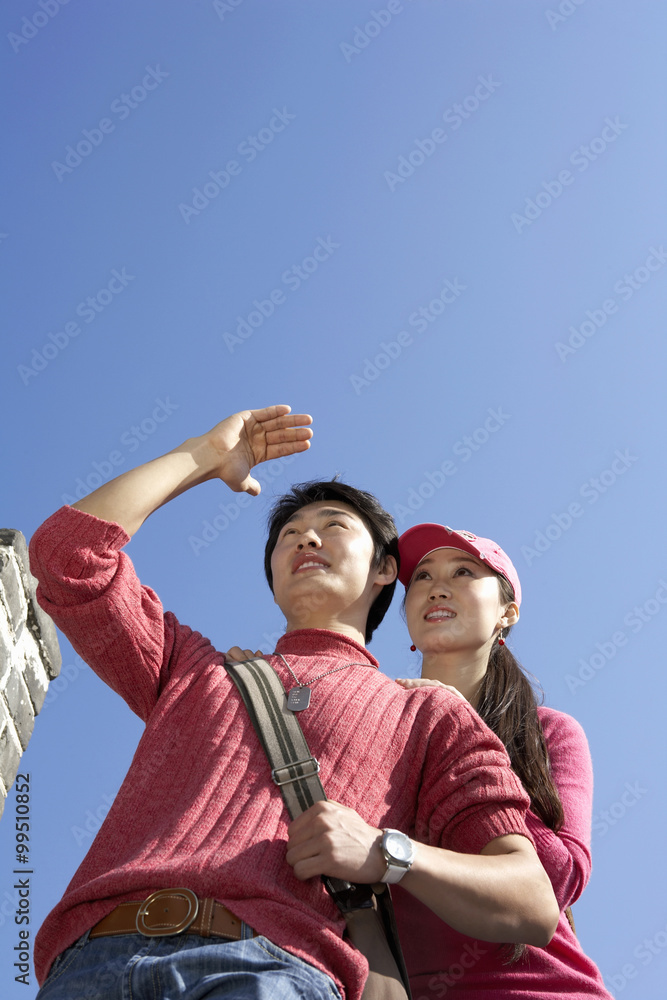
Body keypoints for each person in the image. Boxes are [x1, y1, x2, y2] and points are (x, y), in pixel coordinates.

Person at [30, 407, 558, 1000]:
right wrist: (202, 455)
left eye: (334, 525)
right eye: (289, 533)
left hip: (274, 972)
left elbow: (530, 900)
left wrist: (386, 853)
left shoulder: (428, 714)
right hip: (90, 962)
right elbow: (65, 555)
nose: (307, 537)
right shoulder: (189, 667)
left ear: (386, 569)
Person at [391, 521, 613, 999]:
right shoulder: (372, 717)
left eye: (464, 572)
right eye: (422, 578)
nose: (437, 587)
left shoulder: (550, 731)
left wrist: (457, 729)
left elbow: (558, 880)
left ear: (506, 613)